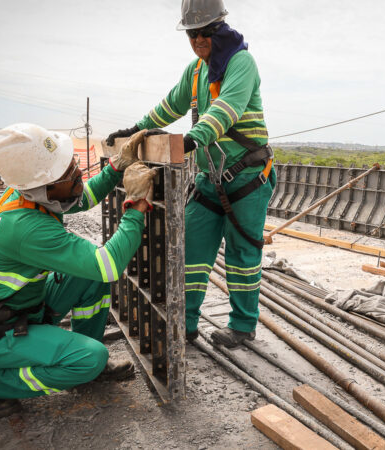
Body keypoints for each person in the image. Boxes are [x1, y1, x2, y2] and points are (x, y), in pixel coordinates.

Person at [0, 123, 157, 418]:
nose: (78, 174)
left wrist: (115, 168)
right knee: (90, 357)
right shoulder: (24, 228)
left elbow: (79, 198)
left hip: (15, 310)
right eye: (69, 173)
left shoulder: (27, 193)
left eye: (72, 165)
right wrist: (136, 206)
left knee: (88, 276)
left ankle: (87, 365)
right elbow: (109, 265)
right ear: (44, 185)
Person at [106, 0, 274, 349]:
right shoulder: (196, 71)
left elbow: (225, 110)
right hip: (210, 180)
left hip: (247, 179)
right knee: (190, 251)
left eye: (204, 33)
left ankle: (243, 326)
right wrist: (135, 128)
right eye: (191, 34)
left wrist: (192, 139)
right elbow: (171, 105)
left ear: (220, 28)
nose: (197, 41)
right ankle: (185, 323)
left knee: (243, 257)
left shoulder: (241, 63)